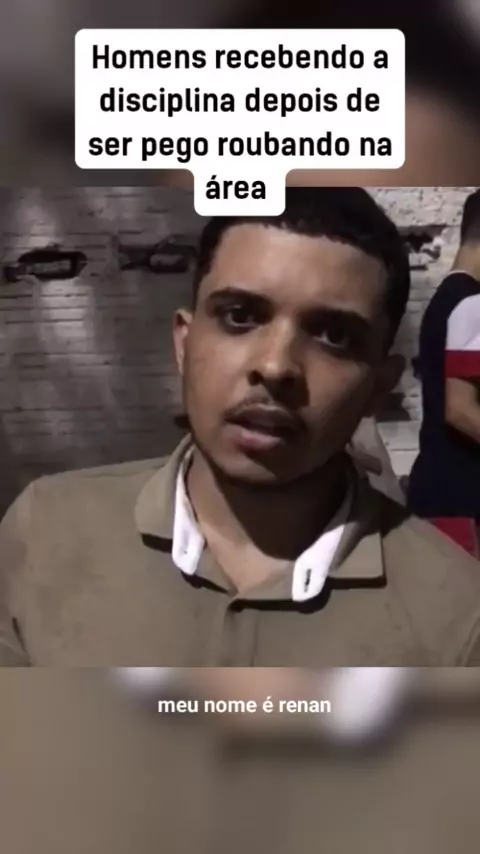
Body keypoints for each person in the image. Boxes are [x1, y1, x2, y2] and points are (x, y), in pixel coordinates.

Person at [2, 187, 480, 667]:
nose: (275, 366)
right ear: (185, 344)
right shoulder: (42, 531)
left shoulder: (458, 614)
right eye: (240, 316)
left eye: (334, 336)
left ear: (380, 386)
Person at [408, 189, 480, 557]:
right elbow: (460, 410)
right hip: (462, 500)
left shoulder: (448, 298)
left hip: (444, 492)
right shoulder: (471, 303)